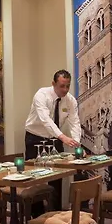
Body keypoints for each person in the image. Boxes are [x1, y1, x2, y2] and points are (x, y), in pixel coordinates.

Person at [25, 70, 81, 213]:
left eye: (68, 86)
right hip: (35, 138)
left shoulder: (70, 100)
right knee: (34, 176)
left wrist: (76, 143)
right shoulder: (41, 95)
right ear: (53, 84)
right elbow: (46, 120)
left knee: (57, 175)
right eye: (62, 86)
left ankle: (55, 213)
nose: (65, 90)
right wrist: (62, 137)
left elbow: (75, 122)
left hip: (55, 139)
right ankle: (36, 216)